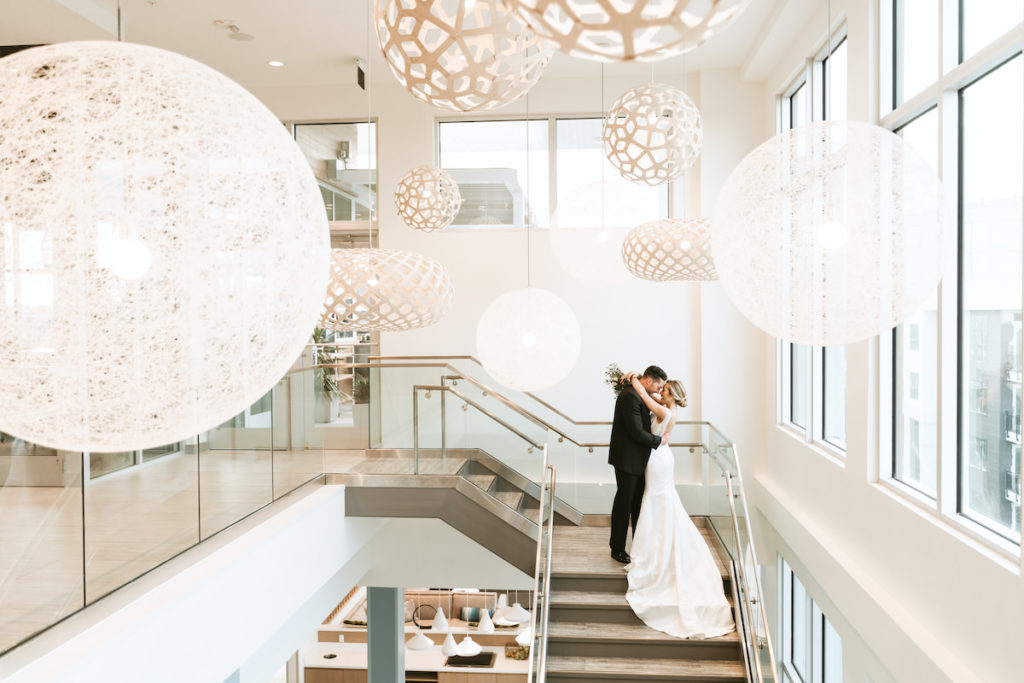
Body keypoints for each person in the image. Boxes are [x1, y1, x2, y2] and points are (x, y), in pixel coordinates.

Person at [622, 371, 735, 640]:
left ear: (671, 395)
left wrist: (634, 380)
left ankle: (655, 548)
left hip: (659, 459)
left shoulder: (666, 411)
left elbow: (646, 401)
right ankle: (656, 542)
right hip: (660, 457)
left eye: (664, 390)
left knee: (658, 500)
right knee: (659, 501)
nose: (660, 392)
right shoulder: (669, 410)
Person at [607, 365, 669, 564]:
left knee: (637, 504)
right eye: (659, 387)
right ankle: (616, 548)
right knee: (624, 505)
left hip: (638, 459)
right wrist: (659, 441)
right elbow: (635, 431)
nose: (660, 391)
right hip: (627, 460)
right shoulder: (629, 397)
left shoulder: (638, 394)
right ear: (649, 381)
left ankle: (638, 544)